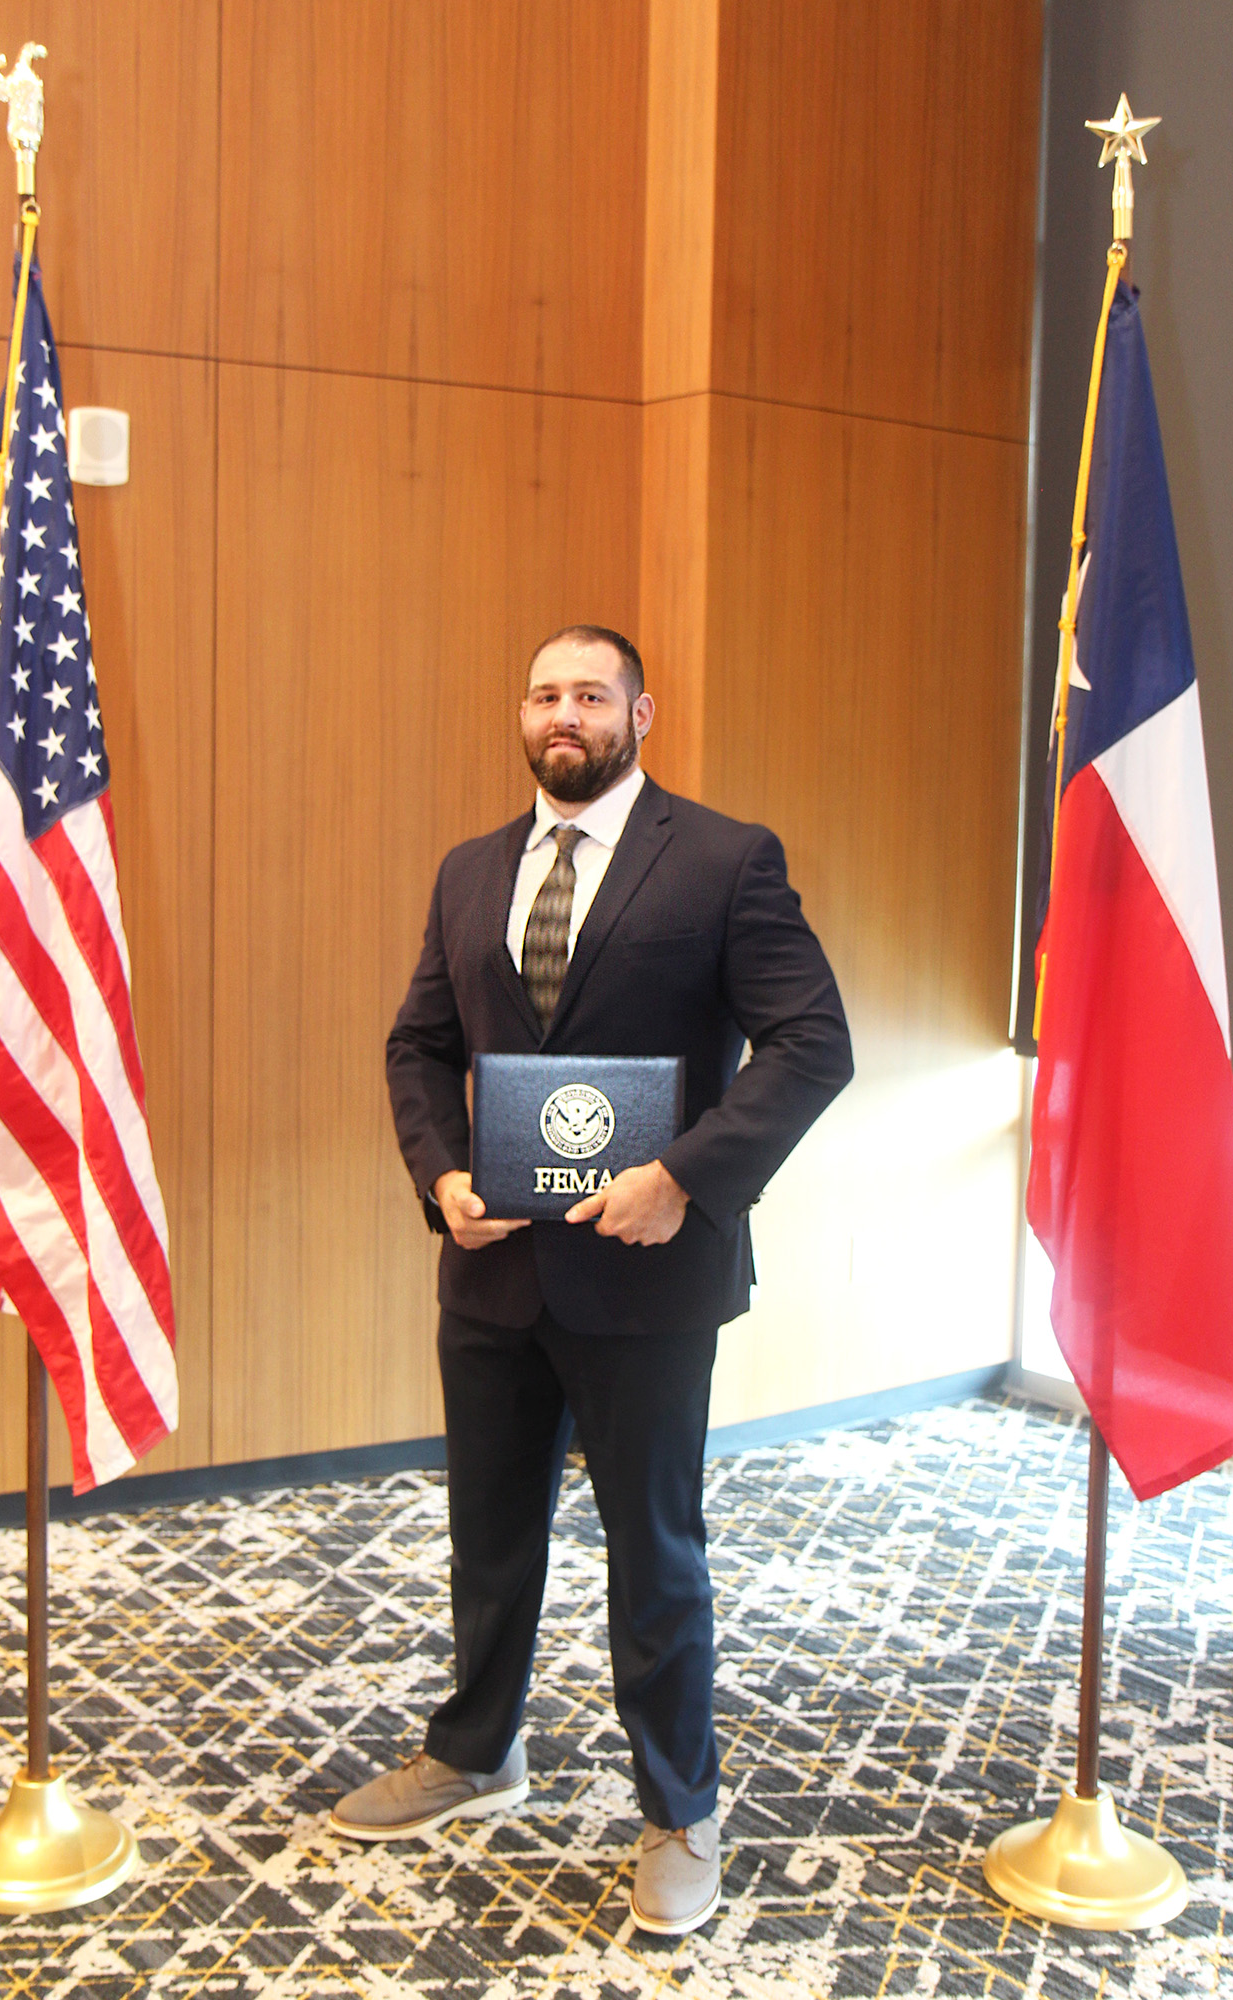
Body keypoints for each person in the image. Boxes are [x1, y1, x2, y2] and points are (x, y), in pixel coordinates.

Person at [331, 625, 852, 1935]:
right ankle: (475, 1752)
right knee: (489, 1540)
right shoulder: (470, 871)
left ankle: (683, 1809)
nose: (566, 714)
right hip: (494, 1274)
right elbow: (417, 1043)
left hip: (649, 1278)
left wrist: (687, 1175)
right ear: (524, 714)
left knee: (656, 1555)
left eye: (592, 696)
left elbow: (812, 1043)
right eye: (547, 694)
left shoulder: (728, 861)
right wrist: (441, 1177)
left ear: (641, 714)